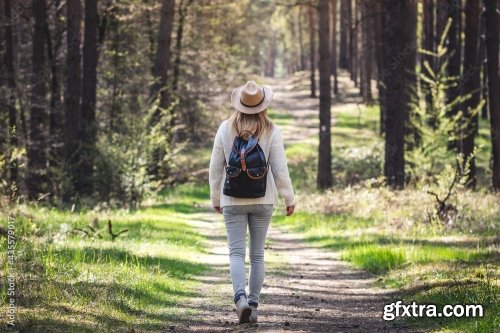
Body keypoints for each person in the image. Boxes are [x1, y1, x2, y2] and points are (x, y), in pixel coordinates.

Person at [208, 80, 296, 324]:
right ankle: (254, 306)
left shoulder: (225, 128)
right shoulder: (271, 130)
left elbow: (215, 168)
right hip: (263, 199)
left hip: (232, 200)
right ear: (262, 105)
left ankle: (240, 300)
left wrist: (216, 198)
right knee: (257, 254)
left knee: (236, 253)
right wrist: (289, 197)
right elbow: (280, 170)